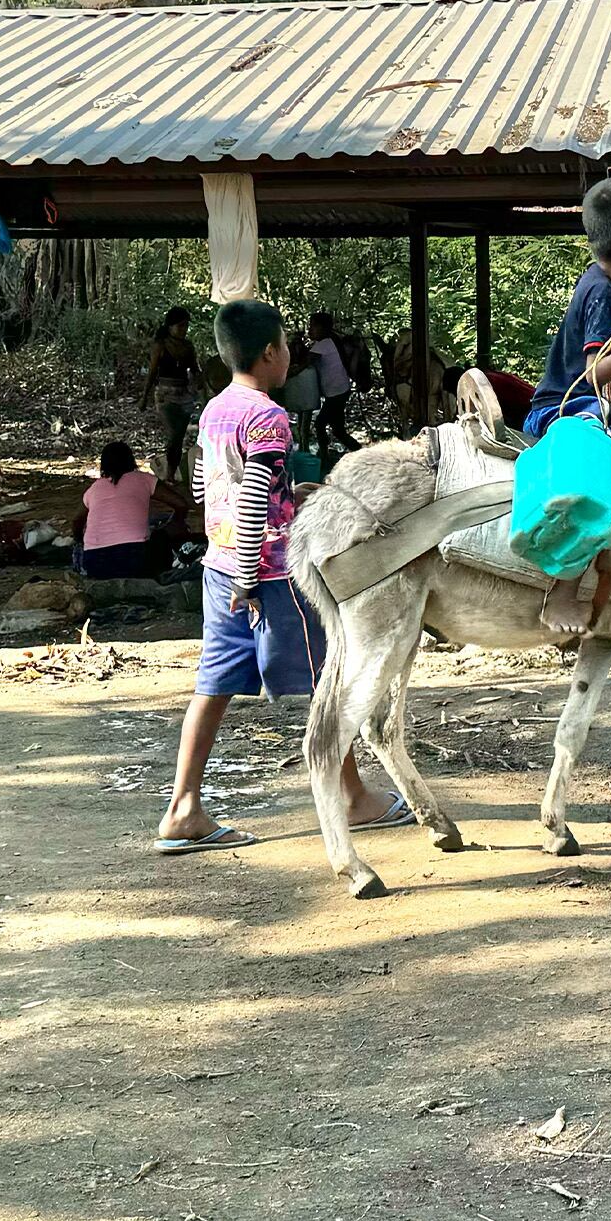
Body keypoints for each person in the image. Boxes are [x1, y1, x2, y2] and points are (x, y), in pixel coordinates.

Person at [155, 298, 394, 852]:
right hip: (270, 575)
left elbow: (203, 489)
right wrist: (250, 571)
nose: (291, 354)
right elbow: (255, 498)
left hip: (219, 567)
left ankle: (183, 808)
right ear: (270, 353)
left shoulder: (214, 409)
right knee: (325, 683)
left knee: (212, 687)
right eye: (287, 345)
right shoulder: (268, 415)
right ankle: (354, 798)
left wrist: (289, 498)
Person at [524, 176, 611, 635]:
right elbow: (590, 372)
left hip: (590, 406)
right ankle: (563, 588)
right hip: (565, 409)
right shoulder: (604, 293)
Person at [78, 440, 157, 579]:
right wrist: (178, 520)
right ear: (131, 460)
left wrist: (80, 540)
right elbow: (180, 503)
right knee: (160, 536)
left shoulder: (95, 488)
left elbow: (76, 521)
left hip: (95, 562)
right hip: (133, 558)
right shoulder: (144, 479)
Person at [142, 307, 199, 487]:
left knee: (178, 437)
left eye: (186, 326)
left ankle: (171, 474)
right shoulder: (161, 345)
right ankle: (169, 473)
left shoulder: (188, 346)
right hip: (165, 395)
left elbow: (196, 371)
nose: (184, 330)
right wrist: (144, 397)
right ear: (170, 326)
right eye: (181, 326)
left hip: (184, 395)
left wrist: (204, 390)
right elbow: (152, 372)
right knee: (173, 435)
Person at [305, 310, 358, 456]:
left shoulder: (325, 344)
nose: (310, 330)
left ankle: (324, 455)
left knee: (320, 423)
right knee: (338, 430)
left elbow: (306, 362)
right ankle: (359, 451)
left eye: (313, 326)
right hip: (339, 390)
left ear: (323, 328)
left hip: (336, 393)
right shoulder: (331, 341)